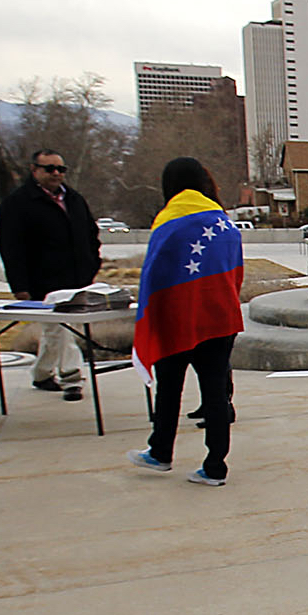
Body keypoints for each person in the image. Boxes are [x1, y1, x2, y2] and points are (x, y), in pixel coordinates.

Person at [126, 157, 242, 486]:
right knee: (216, 394)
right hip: (220, 319)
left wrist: (149, 314)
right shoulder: (223, 221)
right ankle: (215, 466)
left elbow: (154, 274)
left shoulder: (169, 220)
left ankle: (161, 452)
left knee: (169, 389)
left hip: (178, 319)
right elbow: (236, 273)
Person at [0, 147, 101, 400]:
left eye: (60, 169)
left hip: (77, 278)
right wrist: (20, 285)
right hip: (43, 281)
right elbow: (11, 247)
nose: (56, 173)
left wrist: (92, 265)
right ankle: (72, 378)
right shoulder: (17, 203)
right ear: (34, 171)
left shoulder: (75, 200)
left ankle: (42, 374)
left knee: (56, 330)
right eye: (49, 168)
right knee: (60, 328)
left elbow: (90, 235)